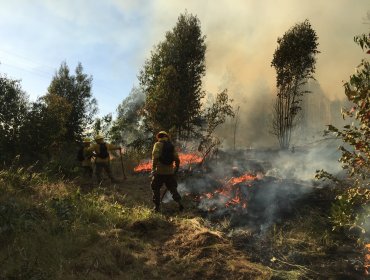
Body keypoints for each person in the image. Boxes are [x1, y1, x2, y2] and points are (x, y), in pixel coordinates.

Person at [151, 131, 184, 212]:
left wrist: (153, 168)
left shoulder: (157, 144)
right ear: (166, 137)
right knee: (173, 189)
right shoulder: (171, 146)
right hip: (170, 172)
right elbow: (177, 158)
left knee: (156, 188)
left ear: (159, 137)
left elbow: (155, 157)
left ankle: (156, 207)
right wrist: (176, 167)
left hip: (159, 172)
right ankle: (180, 203)